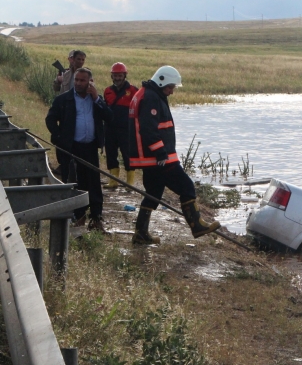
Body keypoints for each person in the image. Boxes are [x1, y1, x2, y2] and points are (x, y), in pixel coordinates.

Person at [128, 65, 220, 244]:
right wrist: (160, 152)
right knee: (186, 187)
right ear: (161, 81)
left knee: (153, 192)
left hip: (151, 158)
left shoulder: (149, 93)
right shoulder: (151, 97)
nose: (171, 92)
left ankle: (141, 233)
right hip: (158, 158)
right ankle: (197, 226)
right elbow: (148, 128)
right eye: (170, 87)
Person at [46, 67, 113, 233]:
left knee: (94, 183)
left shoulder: (95, 99)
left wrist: (97, 98)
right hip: (71, 148)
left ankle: (96, 219)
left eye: (82, 80)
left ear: (90, 82)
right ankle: (79, 217)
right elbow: (50, 120)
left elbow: (110, 117)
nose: (78, 83)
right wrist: (59, 138)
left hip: (90, 147)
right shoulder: (64, 100)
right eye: (76, 80)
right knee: (76, 182)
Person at [103, 62, 136, 189]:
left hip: (126, 129)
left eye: (120, 75)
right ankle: (113, 181)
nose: (117, 78)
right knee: (111, 154)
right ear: (112, 76)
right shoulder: (107, 91)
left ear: (125, 75)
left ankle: (130, 183)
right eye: (115, 75)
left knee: (128, 154)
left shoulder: (133, 90)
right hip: (110, 128)